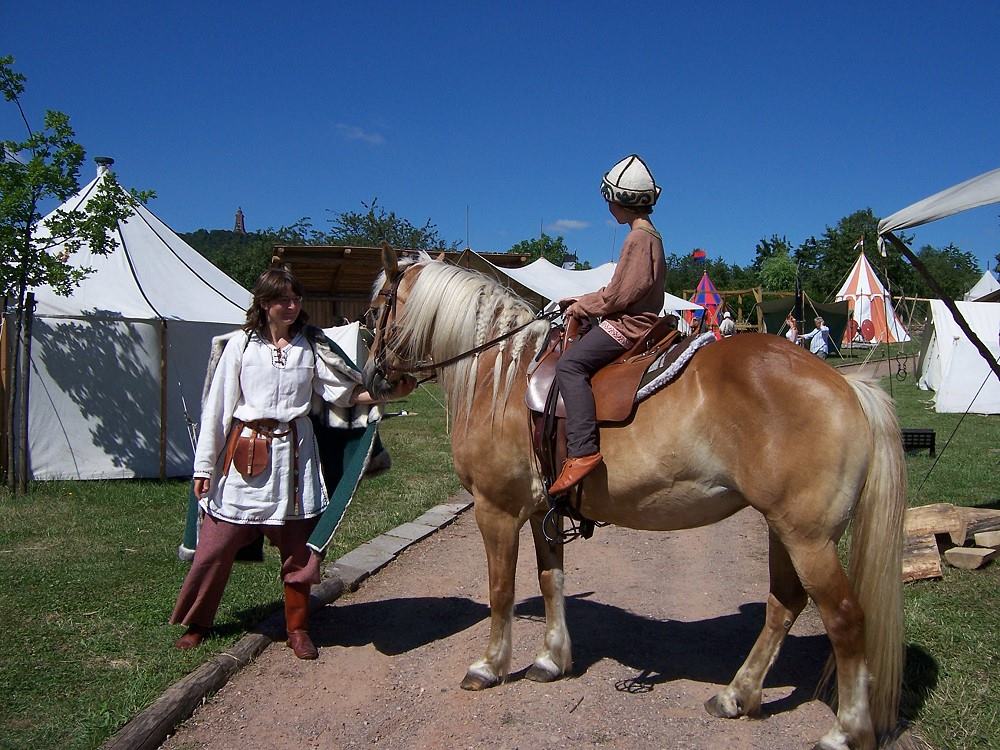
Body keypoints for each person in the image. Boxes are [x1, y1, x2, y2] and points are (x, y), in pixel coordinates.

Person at [170, 267, 414, 659]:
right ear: (265, 304)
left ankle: (298, 628)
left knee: (300, 553)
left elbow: (342, 394)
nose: (292, 305)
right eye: (283, 299)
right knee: (214, 548)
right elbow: (216, 409)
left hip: (296, 461)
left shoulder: (309, 347)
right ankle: (198, 622)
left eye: (296, 299)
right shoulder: (240, 346)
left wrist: (389, 393)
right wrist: (203, 468)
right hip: (245, 455)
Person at [548, 154, 666, 495]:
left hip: (630, 325)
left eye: (609, 199)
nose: (607, 206)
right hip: (639, 318)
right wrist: (582, 300)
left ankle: (582, 450)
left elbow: (618, 298)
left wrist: (584, 305)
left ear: (621, 201)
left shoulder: (638, 239)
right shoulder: (650, 235)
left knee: (570, 364)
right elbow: (617, 291)